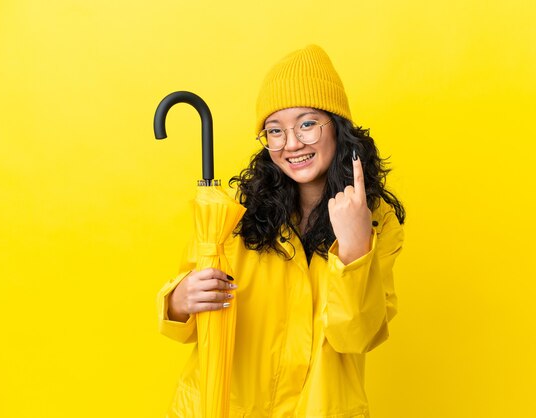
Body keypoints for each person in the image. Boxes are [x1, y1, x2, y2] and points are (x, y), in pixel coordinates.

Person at [157, 44, 405, 418]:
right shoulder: (233, 212)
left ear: (337, 126)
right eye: (275, 130)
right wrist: (179, 300)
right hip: (227, 407)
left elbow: (356, 336)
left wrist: (355, 248)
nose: (291, 144)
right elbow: (188, 317)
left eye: (306, 124)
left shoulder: (376, 220)